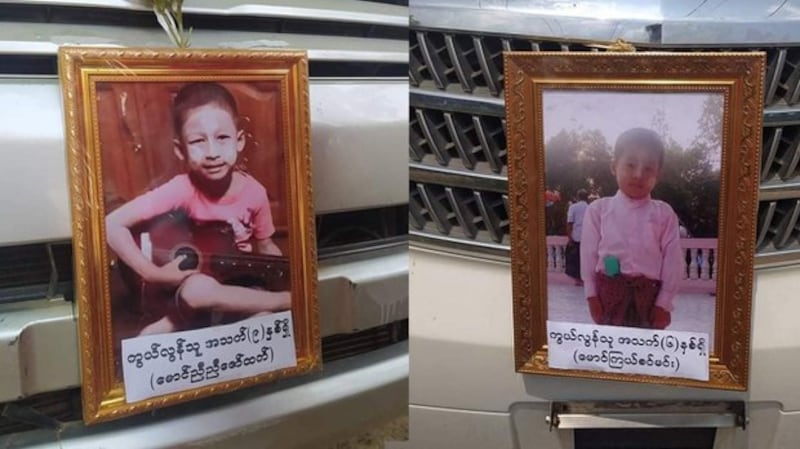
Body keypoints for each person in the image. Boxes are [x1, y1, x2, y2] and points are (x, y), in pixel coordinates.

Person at [106, 82, 290, 335]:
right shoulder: (182, 189)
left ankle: (178, 324)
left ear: (239, 141)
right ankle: (283, 301)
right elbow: (111, 224)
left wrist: (287, 272)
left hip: (239, 286)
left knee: (266, 320)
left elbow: (266, 245)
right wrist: (154, 273)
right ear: (180, 150)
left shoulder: (255, 193)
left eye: (222, 138)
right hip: (194, 289)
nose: (212, 152)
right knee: (197, 289)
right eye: (198, 141)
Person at [580, 128, 682, 330]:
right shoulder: (598, 210)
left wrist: (664, 303)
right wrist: (591, 296)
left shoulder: (664, 214)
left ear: (658, 174)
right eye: (630, 165)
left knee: (646, 355)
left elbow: (673, 262)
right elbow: (588, 255)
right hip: (608, 295)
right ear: (614, 166)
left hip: (650, 300)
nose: (638, 175)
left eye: (648, 169)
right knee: (611, 355)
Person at [564, 189, 589, 285]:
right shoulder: (590, 207)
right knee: (585, 260)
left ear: (578, 197)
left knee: (573, 259)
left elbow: (569, 223)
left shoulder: (573, 207)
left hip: (576, 237)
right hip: (588, 237)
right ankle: (584, 279)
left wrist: (570, 238)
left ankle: (577, 280)